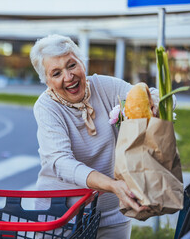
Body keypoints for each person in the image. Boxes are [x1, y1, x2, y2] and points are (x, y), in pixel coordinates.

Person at [30, 34, 151, 239]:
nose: (68, 77)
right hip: (62, 217)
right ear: (47, 81)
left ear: (82, 63)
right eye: (57, 73)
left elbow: (147, 97)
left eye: (71, 65)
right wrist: (112, 185)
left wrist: (153, 104)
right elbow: (61, 162)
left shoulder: (106, 87)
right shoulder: (46, 107)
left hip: (113, 213)